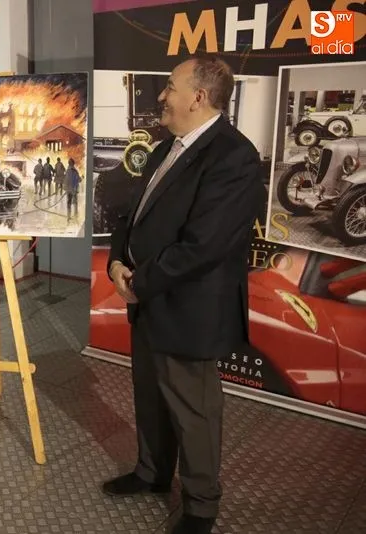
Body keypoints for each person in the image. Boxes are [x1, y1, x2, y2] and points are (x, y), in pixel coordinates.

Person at [102, 56, 264, 534]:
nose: (161, 96)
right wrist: (117, 260)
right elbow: (131, 216)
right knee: (149, 395)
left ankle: (200, 507)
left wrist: (138, 282)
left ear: (199, 96)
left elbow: (205, 245)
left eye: (169, 87)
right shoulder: (163, 147)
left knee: (194, 411)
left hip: (187, 307)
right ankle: (151, 474)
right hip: (149, 298)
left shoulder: (234, 156)